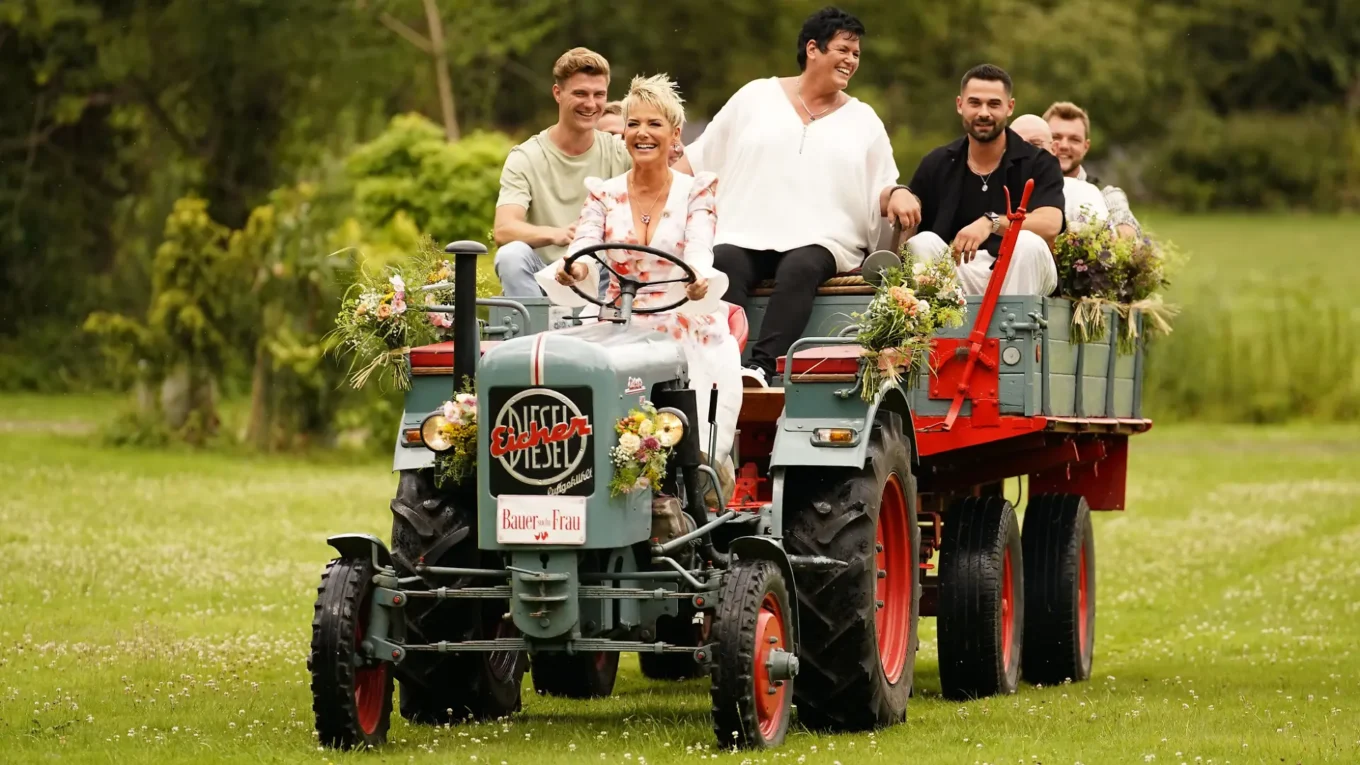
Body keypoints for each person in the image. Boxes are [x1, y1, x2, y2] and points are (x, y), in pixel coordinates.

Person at [672, 7, 920, 387]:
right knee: (724, 261)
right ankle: (720, 366)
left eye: (856, 54)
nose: (852, 60)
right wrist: (653, 194)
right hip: (747, 227)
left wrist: (899, 193)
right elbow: (699, 158)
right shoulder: (756, 96)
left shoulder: (863, 119)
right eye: (843, 49)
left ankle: (761, 367)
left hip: (822, 237)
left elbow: (881, 185)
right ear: (813, 49)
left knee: (801, 267)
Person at [536, 73, 742, 489]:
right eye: (633, 124)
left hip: (679, 314)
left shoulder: (697, 190)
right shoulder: (603, 193)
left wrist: (699, 278)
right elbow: (585, 247)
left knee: (694, 382)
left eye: (654, 124)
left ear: (675, 134)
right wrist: (573, 268)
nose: (642, 134)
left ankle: (698, 472)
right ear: (622, 134)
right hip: (616, 319)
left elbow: (701, 247)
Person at [903, 65, 1065, 296]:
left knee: (1027, 243)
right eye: (975, 103)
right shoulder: (937, 162)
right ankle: (938, 330)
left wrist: (991, 223)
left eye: (994, 104)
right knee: (922, 243)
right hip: (957, 275)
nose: (984, 113)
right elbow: (910, 224)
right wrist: (897, 192)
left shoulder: (1039, 161)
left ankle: (1013, 331)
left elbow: (1050, 224)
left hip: (1021, 270)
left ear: (1010, 108)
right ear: (960, 105)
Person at [492, 48, 631, 297]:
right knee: (511, 255)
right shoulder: (526, 156)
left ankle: (605, 328)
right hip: (542, 279)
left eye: (599, 94)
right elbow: (504, 229)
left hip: (599, 277)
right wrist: (557, 234)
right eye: (580, 93)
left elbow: (668, 183)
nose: (590, 104)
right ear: (558, 93)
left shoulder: (619, 151)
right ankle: (535, 331)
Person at [1044, 101, 1142, 238]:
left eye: (1074, 139)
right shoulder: (1021, 188)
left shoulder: (1107, 195)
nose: (1064, 146)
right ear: (1041, 141)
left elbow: (1128, 231)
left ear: (1086, 147)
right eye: (1056, 137)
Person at [1013, 113, 1108, 223]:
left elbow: (1100, 237)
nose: (1025, 151)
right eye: (1017, 144)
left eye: (1035, 144)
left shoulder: (1083, 193)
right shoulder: (992, 188)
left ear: (1053, 149)